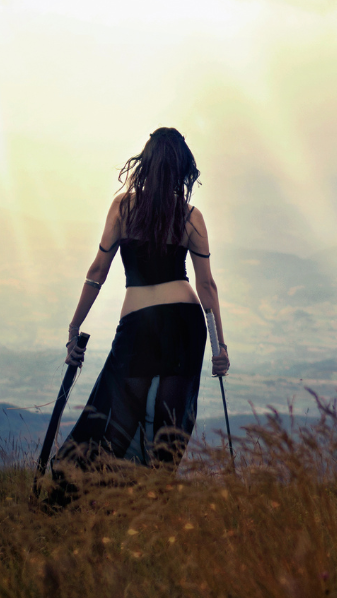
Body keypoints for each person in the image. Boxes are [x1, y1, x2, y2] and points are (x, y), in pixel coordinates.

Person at [54, 127, 229, 475]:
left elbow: (97, 271)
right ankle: (154, 502)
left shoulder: (123, 208)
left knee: (116, 415)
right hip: (185, 324)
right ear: (182, 170)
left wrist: (75, 327)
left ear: (145, 165)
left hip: (139, 326)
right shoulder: (191, 217)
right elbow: (206, 285)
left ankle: (86, 492)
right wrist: (219, 348)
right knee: (169, 427)